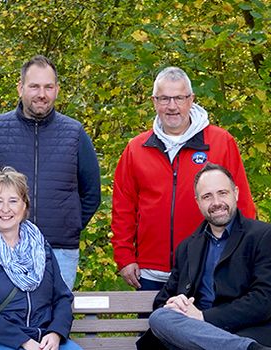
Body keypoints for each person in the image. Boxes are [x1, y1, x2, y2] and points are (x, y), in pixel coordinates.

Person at [111, 66, 256, 291]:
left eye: (179, 98)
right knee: (152, 327)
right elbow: (123, 208)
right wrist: (124, 256)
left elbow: (242, 202)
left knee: (205, 326)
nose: (172, 106)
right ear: (154, 101)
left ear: (191, 99)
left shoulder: (220, 142)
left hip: (209, 264)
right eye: (164, 98)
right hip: (151, 271)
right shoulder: (136, 149)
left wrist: (243, 254)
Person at [0, 55, 101, 290]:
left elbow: (91, 194)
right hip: (4, 249)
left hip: (59, 250)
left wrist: (71, 224)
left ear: (57, 90)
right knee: (8, 319)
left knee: (54, 319)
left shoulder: (75, 133)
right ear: (20, 88)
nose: (42, 94)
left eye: (48, 87)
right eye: (34, 86)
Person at [137, 163, 271, 350]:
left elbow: (262, 301)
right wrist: (172, 303)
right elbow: (162, 301)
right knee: (160, 317)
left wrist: (203, 318)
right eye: (207, 196)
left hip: (253, 331)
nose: (216, 202)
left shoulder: (264, 237)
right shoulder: (187, 248)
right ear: (198, 202)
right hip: (197, 339)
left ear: (236, 193)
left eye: (222, 193)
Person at [0, 167, 81, 350]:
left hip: (45, 339)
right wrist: (22, 341)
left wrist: (55, 333)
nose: (5, 209)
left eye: (13, 201)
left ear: (24, 206)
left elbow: (62, 297)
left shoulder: (40, 246)